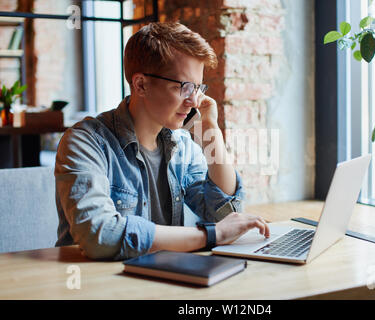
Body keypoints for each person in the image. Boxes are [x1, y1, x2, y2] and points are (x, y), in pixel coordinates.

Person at [55, 22, 270, 260]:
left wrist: (211, 131)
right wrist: (210, 235)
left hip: (161, 279)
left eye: (197, 88)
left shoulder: (183, 146)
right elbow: (99, 237)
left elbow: (226, 215)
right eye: (184, 87)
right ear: (141, 85)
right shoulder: (86, 142)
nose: (194, 101)